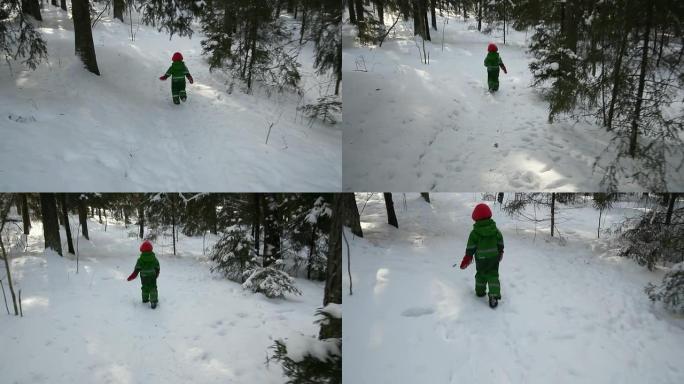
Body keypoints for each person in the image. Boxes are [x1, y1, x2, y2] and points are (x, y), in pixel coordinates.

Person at [459, 203, 505, 308]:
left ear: (475, 218)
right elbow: (500, 242)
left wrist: (467, 258)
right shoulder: (495, 231)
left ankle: (480, 291)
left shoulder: (474, 233)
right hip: (494, 258)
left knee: (480, 274)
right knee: (493, 275)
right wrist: (501, 252)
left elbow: (470, 248)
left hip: (481, 260)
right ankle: (494, 296)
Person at [127, 240, 160, 309]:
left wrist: (131, 277)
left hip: (144, 277)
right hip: (152, 276)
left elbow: (136, 270)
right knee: (153, 288)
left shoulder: (140, 260)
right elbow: (157, 267)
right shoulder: (154, 259)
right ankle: (153, 301)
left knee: (144, 287)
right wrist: (156, 274)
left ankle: (145, 299)